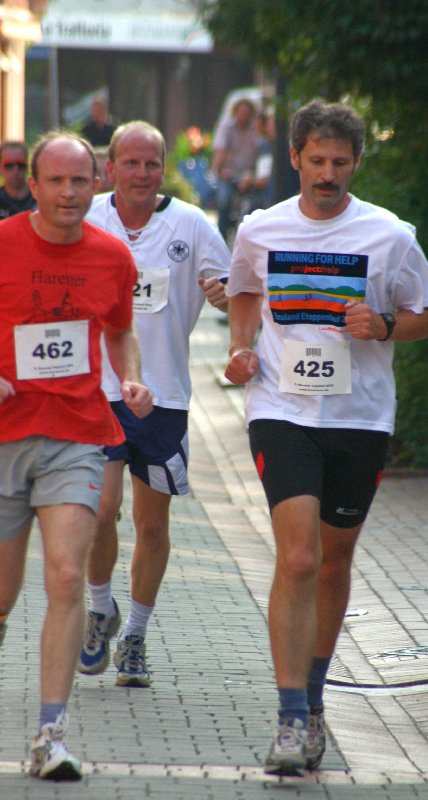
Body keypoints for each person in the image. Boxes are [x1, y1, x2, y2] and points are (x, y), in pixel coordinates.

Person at [224, 100, 428, 777]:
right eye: (316, 160)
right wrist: (239, 348)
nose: (326, 174)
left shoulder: (390, 235)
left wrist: (383, 326)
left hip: (359, 417)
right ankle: (290, 716)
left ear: (355, 164)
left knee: (332, 562)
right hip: (281, 409)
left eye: (339, 162)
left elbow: (425, 316)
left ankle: (314, 700)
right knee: (297, 558)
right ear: (294, 157)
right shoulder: (261, 228)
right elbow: (242, 291)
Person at [0, 131, 153, 781]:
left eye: (80, 181)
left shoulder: (112, 257)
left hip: (77, 434)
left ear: (98, 184)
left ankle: (50, 737)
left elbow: (120, 331)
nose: (69, 192)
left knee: (66, 577)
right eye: (56, 181)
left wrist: (132, 377)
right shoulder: (3, 243)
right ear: (33, 186)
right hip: (4, 436)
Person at [77, 121, 230, 688]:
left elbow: (236, 289)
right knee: (100, 510)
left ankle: (135, 636)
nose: (141, 174)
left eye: (151, 164)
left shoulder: (190, 224)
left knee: (152, 523)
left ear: (163, 168)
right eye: (131, 163)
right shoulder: (88, 217)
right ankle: (100, 610)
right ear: (109, 168)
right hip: (98, 391)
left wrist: (223, 294)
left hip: (163, 396)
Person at [211, 97, 259, 241]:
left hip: (248, 175)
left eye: (247, 113)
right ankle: (222, 236)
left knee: (255, 204)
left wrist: (251, 176)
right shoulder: (227, 127)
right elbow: (220, 149)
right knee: (224, 200)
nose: (243, 117)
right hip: (229, 173)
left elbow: (259, 152)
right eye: (241, 113)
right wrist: (217, 170)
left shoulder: (254, 129)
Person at [0, 141, 36, 219]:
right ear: (1, 168)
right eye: (9, 166)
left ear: (27, 167)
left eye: (21, 165)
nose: (16, 170)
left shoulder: (40, 199)